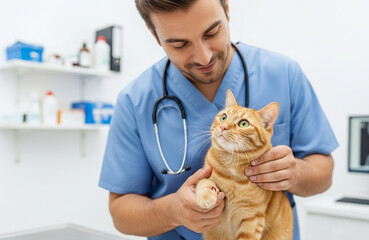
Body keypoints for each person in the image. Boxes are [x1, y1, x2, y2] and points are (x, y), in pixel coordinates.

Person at [98, 0, 339, 239]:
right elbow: (121, 212)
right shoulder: (134, 100)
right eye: (180, 44)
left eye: (212, 32)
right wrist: (173, 211)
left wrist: (294, 173)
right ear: (155, 35)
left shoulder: (284, 74)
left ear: (226, 9)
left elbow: (323, 172)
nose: (203, 58)